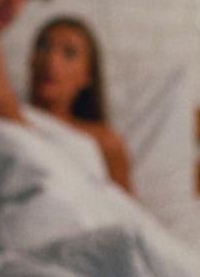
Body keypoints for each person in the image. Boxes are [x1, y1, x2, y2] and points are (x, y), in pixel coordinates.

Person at [29, 16, 133, 193]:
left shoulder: (105, 143)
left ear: (87, 76)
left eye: (69, 53)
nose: (51, 60)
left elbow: (125, 206)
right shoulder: (8, 122)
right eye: (44, 46)